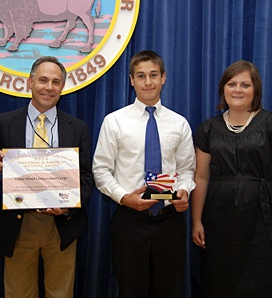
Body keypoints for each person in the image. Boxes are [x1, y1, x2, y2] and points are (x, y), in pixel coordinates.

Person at [191, 60, 272, 297]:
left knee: (270, 283)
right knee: (223, 281)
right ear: (223, 88)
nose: (237, 89)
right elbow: (201, 177)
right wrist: (196, 221)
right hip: (221, 224)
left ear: (256, 90)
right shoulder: (207, 129)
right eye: (232, 83)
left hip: (266, 221)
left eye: (245, 84)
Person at [0, 56, 93, 298]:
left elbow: (86, 177)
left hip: (62, 223)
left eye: (55, 82)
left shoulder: (78, 127)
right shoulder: (5, 122)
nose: (49, 87)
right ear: (30, 82)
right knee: (18, 292)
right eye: (43, 80)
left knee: (61, 293)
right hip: (19, 222)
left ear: (62, 87)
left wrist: (67, 207)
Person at [92, 50, 196, 297]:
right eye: (141, 76)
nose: (148, 82)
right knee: (131, 290)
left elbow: (186, 169)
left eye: (153, 75)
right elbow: (101, 169)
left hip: (170, 221)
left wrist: (183, 191)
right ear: (131, 80)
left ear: (164, 78)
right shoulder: (114, 121)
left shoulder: (179, 123)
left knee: (169, 290)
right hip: (129, 222)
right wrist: (124, 197)